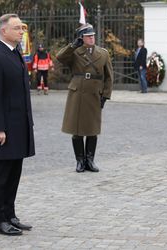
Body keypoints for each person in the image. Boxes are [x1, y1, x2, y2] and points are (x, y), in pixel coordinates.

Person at [0, 14, 35, 236]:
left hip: (19, 125)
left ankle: (10, 215)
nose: (21, 31)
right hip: (6, 128)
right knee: (2, 175)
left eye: (21, 28)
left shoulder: (15, 54)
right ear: (3, 31)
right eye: (16, 28)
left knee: (14, 173)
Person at [56, 23, 113, 173]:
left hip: (95, 93)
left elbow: (109, 77)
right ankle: (80, 161)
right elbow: (59, 57)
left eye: (93, 36)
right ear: (81, 38)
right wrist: (72, 46)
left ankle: (90, 160)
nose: (92, 38)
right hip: (78, 93)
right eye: (88, 36)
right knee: (77, 129)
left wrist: (105, 95)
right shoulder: (74, 52)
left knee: (93, 129)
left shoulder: (103, 53)